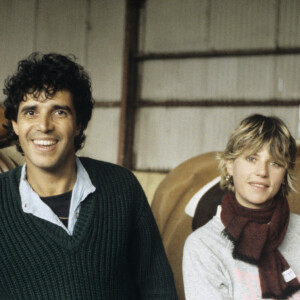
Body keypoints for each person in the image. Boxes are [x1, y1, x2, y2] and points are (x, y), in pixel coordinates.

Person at [1, 52, 177, 299]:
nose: (44, 125)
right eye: (30, 112)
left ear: (79, 124)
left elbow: (158, 288)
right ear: (15, 124)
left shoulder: (122, 187)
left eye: (59, 112)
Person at [183, 114, 300, 299]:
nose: (262, 172)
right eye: (251, 159)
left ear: (284, 175)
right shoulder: (204, 245)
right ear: (229, 165)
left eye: (275, 163)